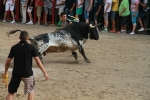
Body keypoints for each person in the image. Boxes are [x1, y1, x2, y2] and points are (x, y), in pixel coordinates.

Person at [4, 30, 49, 100]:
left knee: (11, 92)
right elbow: (38, 61)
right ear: (27, 38)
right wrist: (44, 72)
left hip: (16, 73)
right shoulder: (31, 47)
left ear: (19, 37)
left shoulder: (14, 47)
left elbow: (7, 62)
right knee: (30, 91)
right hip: (27, 73)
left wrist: (6, 72)